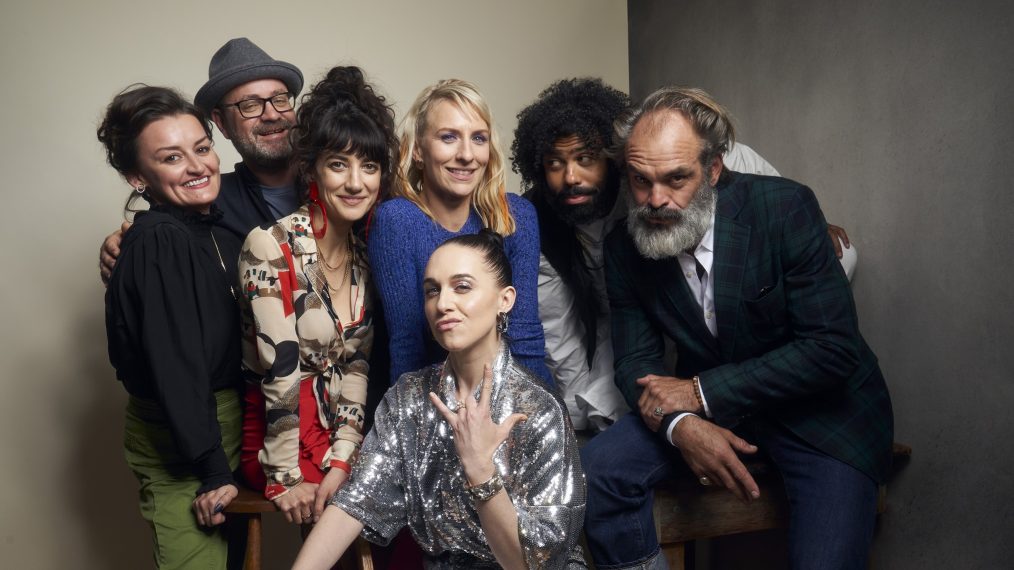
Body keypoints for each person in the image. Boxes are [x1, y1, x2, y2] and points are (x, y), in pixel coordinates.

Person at [580, 86, 893, 570]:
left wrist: (699, 395)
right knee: (596, 473)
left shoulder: (784, 208)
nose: (655, 200)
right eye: (640, 181)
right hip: (711, 411)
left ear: (713, 170)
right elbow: (635, 362)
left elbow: (831, 349)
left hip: (824, 414)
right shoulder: (625, 245)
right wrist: (681, 424)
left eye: (675, 179)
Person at [511, 78, 856, 432]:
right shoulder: (537, 221)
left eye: (585, 158)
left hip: (714, 303)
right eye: (554, 163)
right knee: (593, 411)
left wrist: (815, 225)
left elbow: (769, 203)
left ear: (614, 158)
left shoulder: (694, 154)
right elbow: (557, 326)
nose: (571, 177)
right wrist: (569, 416)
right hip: (621, 316)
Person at [292, 231, 587, 569]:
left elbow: (534, 564)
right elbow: (355, 504)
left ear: (505, 300)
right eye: (433, 290)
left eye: (462, 287)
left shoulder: (538, 409)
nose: (442, 303)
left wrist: (480, 470)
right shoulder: (408, 398)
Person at [237, 66, 399, 525]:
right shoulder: (269, 245)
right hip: (277, 435)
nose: (355, 182)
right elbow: (278, 369)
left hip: (335, 431)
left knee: (391, 486)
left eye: (369, 166)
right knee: (353, 509)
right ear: (313, 169)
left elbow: (357, 367)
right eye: (338, 164)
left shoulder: (365, 253)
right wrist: (286, 475)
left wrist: (345, 455)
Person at [99, 85, 243, 568]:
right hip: (187, 442)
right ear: (138, 177)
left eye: (202, 148)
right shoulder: (161, 240)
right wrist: (211, 469)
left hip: (220, 429)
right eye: (172, 158)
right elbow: (176, 364)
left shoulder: (213, 230)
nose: (198, 166)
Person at [368, 79, 552, 386]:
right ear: (417, 150)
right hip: (434, 397)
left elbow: (525, 335)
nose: (467, 155)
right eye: (449, 137)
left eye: (479, 138)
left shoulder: (516, 216)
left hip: (511, 390)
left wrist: (531, 414)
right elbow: (408, 349)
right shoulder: (396, 221)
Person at [99, 37, 305, 280]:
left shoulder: (341, 181)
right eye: (250, 105)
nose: (271, 114)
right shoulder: (207, 200)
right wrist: (123, 242)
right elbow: (160, 235)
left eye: (280, 99)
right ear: (221, 123)